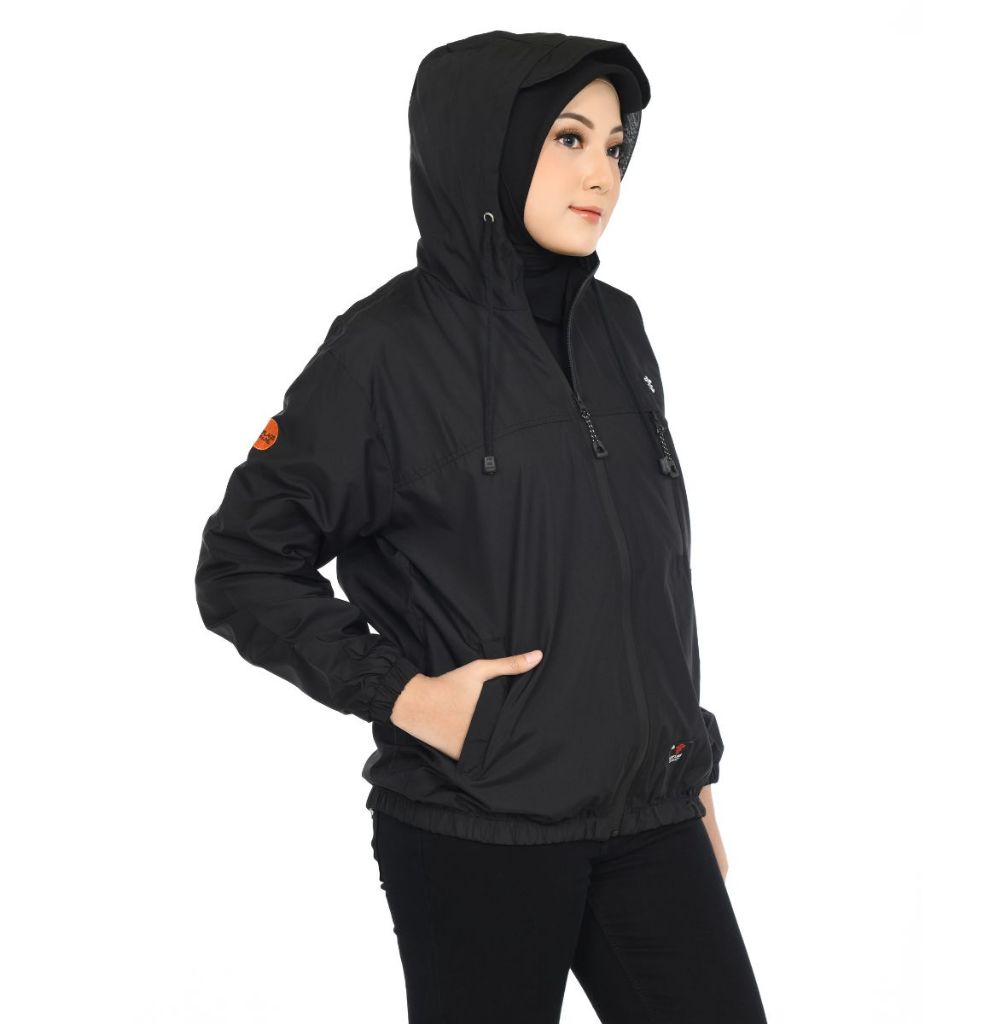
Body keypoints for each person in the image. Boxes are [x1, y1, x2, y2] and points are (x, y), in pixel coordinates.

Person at [195, 29, 768, 1023]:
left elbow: (642, 568)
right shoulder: (385, 351)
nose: (602, 174)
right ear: (486, 145)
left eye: (616, 147)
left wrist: (686, 757)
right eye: (569, 139)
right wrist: (403, 695)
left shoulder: (617, 328)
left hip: (648, 813)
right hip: (476, 825)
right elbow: (242, 563)